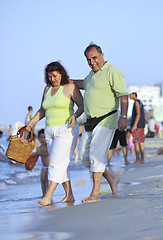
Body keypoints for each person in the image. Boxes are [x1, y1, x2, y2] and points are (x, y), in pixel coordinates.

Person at [71, 44, 128, 203]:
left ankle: (95, 194)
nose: (92, 62)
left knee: (96, 156)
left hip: (106, 118)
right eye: (88, 60)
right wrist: (68, 81)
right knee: (83, 156)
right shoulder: (91, 75)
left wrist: (123, 116)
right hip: (90, 121)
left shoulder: (112, 71)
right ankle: (111, 178)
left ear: (102, 55)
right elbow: (84, 84)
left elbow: (123, 96)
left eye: (94, 58)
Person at [26, 61, 84, 206]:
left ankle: (48, 195)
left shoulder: (70, 87)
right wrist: (31, 123)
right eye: (49, 76)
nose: (52, 79)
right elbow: (43, 110)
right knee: (61, 164)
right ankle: (69, 195)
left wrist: (75, 115)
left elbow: (82, 105)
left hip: (66, 129)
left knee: (55, 164)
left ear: (61, 74)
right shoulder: (46, 89)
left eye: (54, 76)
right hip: (49, 131)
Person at [129, 92, 145, 164]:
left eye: (130, 94)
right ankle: (142, 159)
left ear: (134, 94)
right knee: (141, 142)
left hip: (137, 125)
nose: (129, 95)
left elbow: (138, 114)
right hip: (141, 125)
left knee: (136, 142)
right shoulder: (140, 102)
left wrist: (134, 125)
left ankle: (138, 159)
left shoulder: (136, 102)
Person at [32, 129, 49, 196]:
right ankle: (44, 194)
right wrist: (32, 163)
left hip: (49, 166)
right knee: (42, 180)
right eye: (41, 138)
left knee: (48, 181)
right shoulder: (40, 147)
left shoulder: (48, 146)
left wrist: (37, 153)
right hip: (43, 166)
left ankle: (48, 193)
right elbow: (37, 157)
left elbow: (46, 153)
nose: (42, 139)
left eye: (44, 137)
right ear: (38, 138)